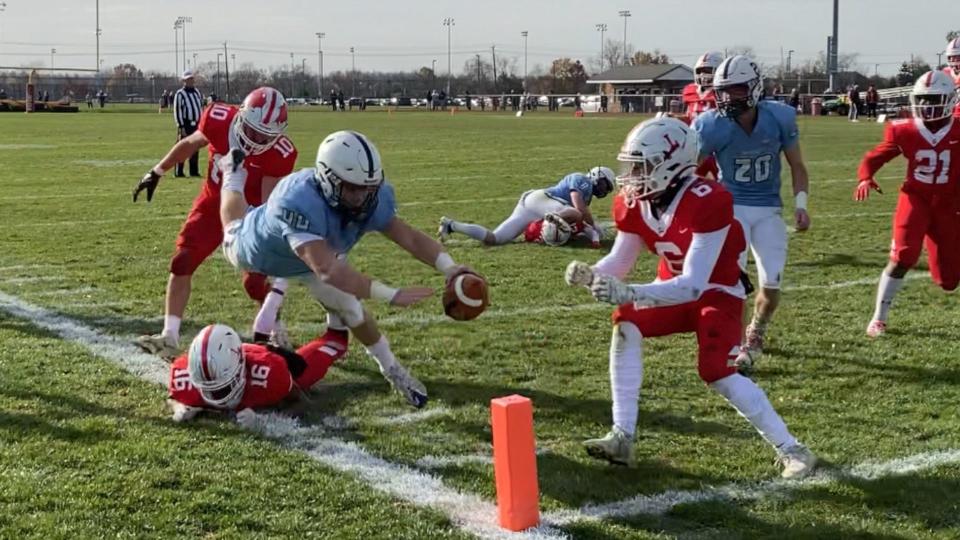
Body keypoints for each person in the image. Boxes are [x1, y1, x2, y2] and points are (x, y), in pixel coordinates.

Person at [564, 117, 816, 479]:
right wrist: (593, 274)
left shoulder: (707, 199)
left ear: (671, 163)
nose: (633, 175)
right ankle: (623, 436)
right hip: (672, 289)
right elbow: (621, 260)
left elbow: (695, 284)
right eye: (632, 165)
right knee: (626, 322)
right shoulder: (635, 203)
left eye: (642, 165)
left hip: (717, 293)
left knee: (717, 372)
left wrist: (631, 291)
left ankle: (793, 449)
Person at [218, 130, 480, 408]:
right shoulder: (297, 199)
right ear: (327, 179)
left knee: (353, 310)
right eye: (353, 188)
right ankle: (233, 172)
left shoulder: (370, 195)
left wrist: (449, 267)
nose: (362, 196)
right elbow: (328, 270)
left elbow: (409, 236)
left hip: (315, 256)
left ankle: (391, 369)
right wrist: (390, 294)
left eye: (368, 187)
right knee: (233, 224)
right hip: (262, 252)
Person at [132, 87, 298, 358]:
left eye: (264, 136)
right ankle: (170, 335)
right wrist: (157, 170)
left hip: (250, 214)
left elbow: (268, 203)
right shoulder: (218, 118)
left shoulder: (280, 153)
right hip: (211, 205)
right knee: (182, 261)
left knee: (254, 284)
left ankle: (275, 325)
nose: (255, 140)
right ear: (241, 117)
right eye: (253, 130)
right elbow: (190, 143)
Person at [692, 55, 811, 372]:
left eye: (737, 89)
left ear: (755, 88)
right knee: (733, 283)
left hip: (769, 209)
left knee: (771, 287)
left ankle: (755, 331)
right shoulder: (711, 124)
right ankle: (738, 344)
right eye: (724, 90)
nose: (729, 97)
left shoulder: (779, 118)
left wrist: (801, 205)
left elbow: (797, 166)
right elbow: (689, 171)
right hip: (730, 209)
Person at [855, 71, 960, 337]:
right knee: (902, 257)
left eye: (934, 99)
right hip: (915, 199)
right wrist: (865, 177)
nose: (927, 106)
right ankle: (879, 318)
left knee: (948, 281)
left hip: (949, 204)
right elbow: (873, 158)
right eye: (923, 100)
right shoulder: (905, 129)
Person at [167, 323, 345, 423]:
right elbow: (173, 397)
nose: (215, 394)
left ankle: (336, 334)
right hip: (240, 355)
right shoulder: (185, 375)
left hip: (266, 354)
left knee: (306, 369)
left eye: (223, 385)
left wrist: (265, 419)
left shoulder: (268, 373)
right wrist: (180, 407)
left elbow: (302, 402)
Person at [438, 167, 615, 246]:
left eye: (607, 188)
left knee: (495, 239)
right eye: (603, 184)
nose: (603, 189)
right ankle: (552, 221)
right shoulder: (582, 180)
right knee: (577, 214)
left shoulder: (587, 192)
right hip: (543, 200)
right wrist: (594, 226)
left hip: (531, 204)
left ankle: (451, 225)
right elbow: (580, 209)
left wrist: (592, 234)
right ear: (595, 176)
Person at [172, 71, 204, 178]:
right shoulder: (180, 94)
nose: (190, 81)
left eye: (191, 79)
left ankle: (194, 171)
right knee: (182, 148)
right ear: (184, 81)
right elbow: (178, 110)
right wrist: (181, 126)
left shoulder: (197, 92)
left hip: (197, 124)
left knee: (195, 148)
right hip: (186, 124)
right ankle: (179, 171)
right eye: (188, 79)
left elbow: (200, 107)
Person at [682, 51, 722, 122]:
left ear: (719, 71)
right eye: (700, 71)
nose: (702, 74)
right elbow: (689, 117)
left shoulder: (723, 92)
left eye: (707, 70)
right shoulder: (690, 90)